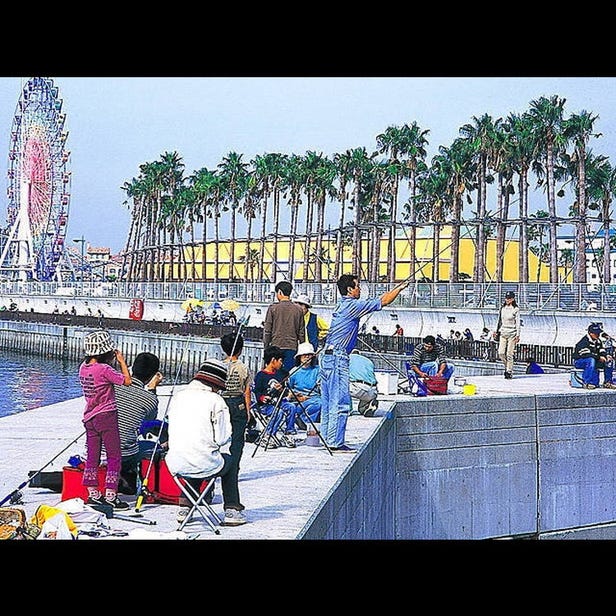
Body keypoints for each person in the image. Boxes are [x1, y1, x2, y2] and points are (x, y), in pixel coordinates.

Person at [320, 273, 408, 452]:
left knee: (328, 400)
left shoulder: (341, 305)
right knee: (341, 401)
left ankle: (327, 438)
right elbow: (382, 301)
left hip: (326, 356)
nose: (360, 289)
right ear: (350, 289)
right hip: (338, 357)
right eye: (358, 286)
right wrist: (399, 288)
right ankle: (335, 442)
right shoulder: (352, 305)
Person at [165, 359, 248, 526]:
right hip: (202, 463)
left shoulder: (178, 396)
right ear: (215, 383)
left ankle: (186, 506)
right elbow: (222, 439)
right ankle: (232, 509)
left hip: (175, 463)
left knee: (197, 456)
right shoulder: (216, 400)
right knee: (228, 461)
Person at [78, 330, 132, 510]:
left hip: (90, 417)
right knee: (114, 456)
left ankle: (93, 493)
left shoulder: (83, 368)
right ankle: (111, 495)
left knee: (92, 456)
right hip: (107, 416)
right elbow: (126, 381)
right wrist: (122, 362)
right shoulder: (105, 369)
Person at [115, 352, 163, 494]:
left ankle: (124, 478)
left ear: (132, 368)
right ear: (152, 375)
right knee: (153, 446)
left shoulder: (113, 385)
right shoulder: (149, 399)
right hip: (124, 455)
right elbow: (149, 421)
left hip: (100, 448)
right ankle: (130, 476)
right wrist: (152, 389)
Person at [220, 332, 252, 515]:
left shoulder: (220, 366)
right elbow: (246, 391)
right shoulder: (243, 368)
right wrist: (248, 411)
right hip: (238, 403)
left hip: (222, 402)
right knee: (237, 439)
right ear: (240, 349)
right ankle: (235, 464)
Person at [252, 345, 297, 448]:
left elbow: (286, 392)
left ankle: (288, 433)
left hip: (279, 402)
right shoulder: (261, 375)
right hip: (266, 406)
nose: (282, 363)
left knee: (291, 407)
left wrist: (282, 390)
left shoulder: (281, 374)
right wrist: (262, 398)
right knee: (278, 411)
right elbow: (257, 392)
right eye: (280, 361)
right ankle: (268, 435)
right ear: (273, 360)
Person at [262, 280, 305, 373]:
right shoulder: (298, 310)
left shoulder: (273, 308)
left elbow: (267, 330)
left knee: (275, 375)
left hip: (276, 347)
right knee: (290, 374)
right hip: (292, 347)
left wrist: (266, 347)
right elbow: (301, 332)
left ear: (280, 292)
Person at [285, 341, 322, 428]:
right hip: (299, 401)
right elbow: (287, 389)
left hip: (315, 399)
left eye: (309, 354)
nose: (307, 357)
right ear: (299, 357)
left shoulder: (318, 370)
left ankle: (304, 421)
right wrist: (298, 397)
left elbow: (321, 387)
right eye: (304, 354)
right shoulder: (294, 371)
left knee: (320, 404)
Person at [573, 323, 615, 389]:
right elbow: (586, 354)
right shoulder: (583, 342)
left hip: (594, 360)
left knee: (608, 361)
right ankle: (586, 383)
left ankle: (608, 382)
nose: (597, 335)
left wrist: (606, 356)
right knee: (591, 360)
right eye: (595, 333)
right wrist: (599, 357)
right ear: (590, 333)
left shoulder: (598, 341)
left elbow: (602, 350)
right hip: (580, 361)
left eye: (598, 333)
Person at [494, 290, 521, 379]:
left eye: (509, 298)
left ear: (513, 299)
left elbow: (517, 323)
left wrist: (518, 335)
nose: (507, 300)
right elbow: (499, 321)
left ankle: (509, 371)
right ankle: (507, 367)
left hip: (512, 333)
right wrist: (496, 331)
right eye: (506, 298)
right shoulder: (503, 308)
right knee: (501, 352)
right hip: (503, 332)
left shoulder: (516, 309)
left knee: (509, 353)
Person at [349, 350, 378, 417]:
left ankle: (348, 410)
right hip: (373, 390)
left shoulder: (348, 358)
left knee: (342, 386)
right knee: (361, 409)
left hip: (358, 388)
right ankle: (368, 406)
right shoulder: (368, 361)